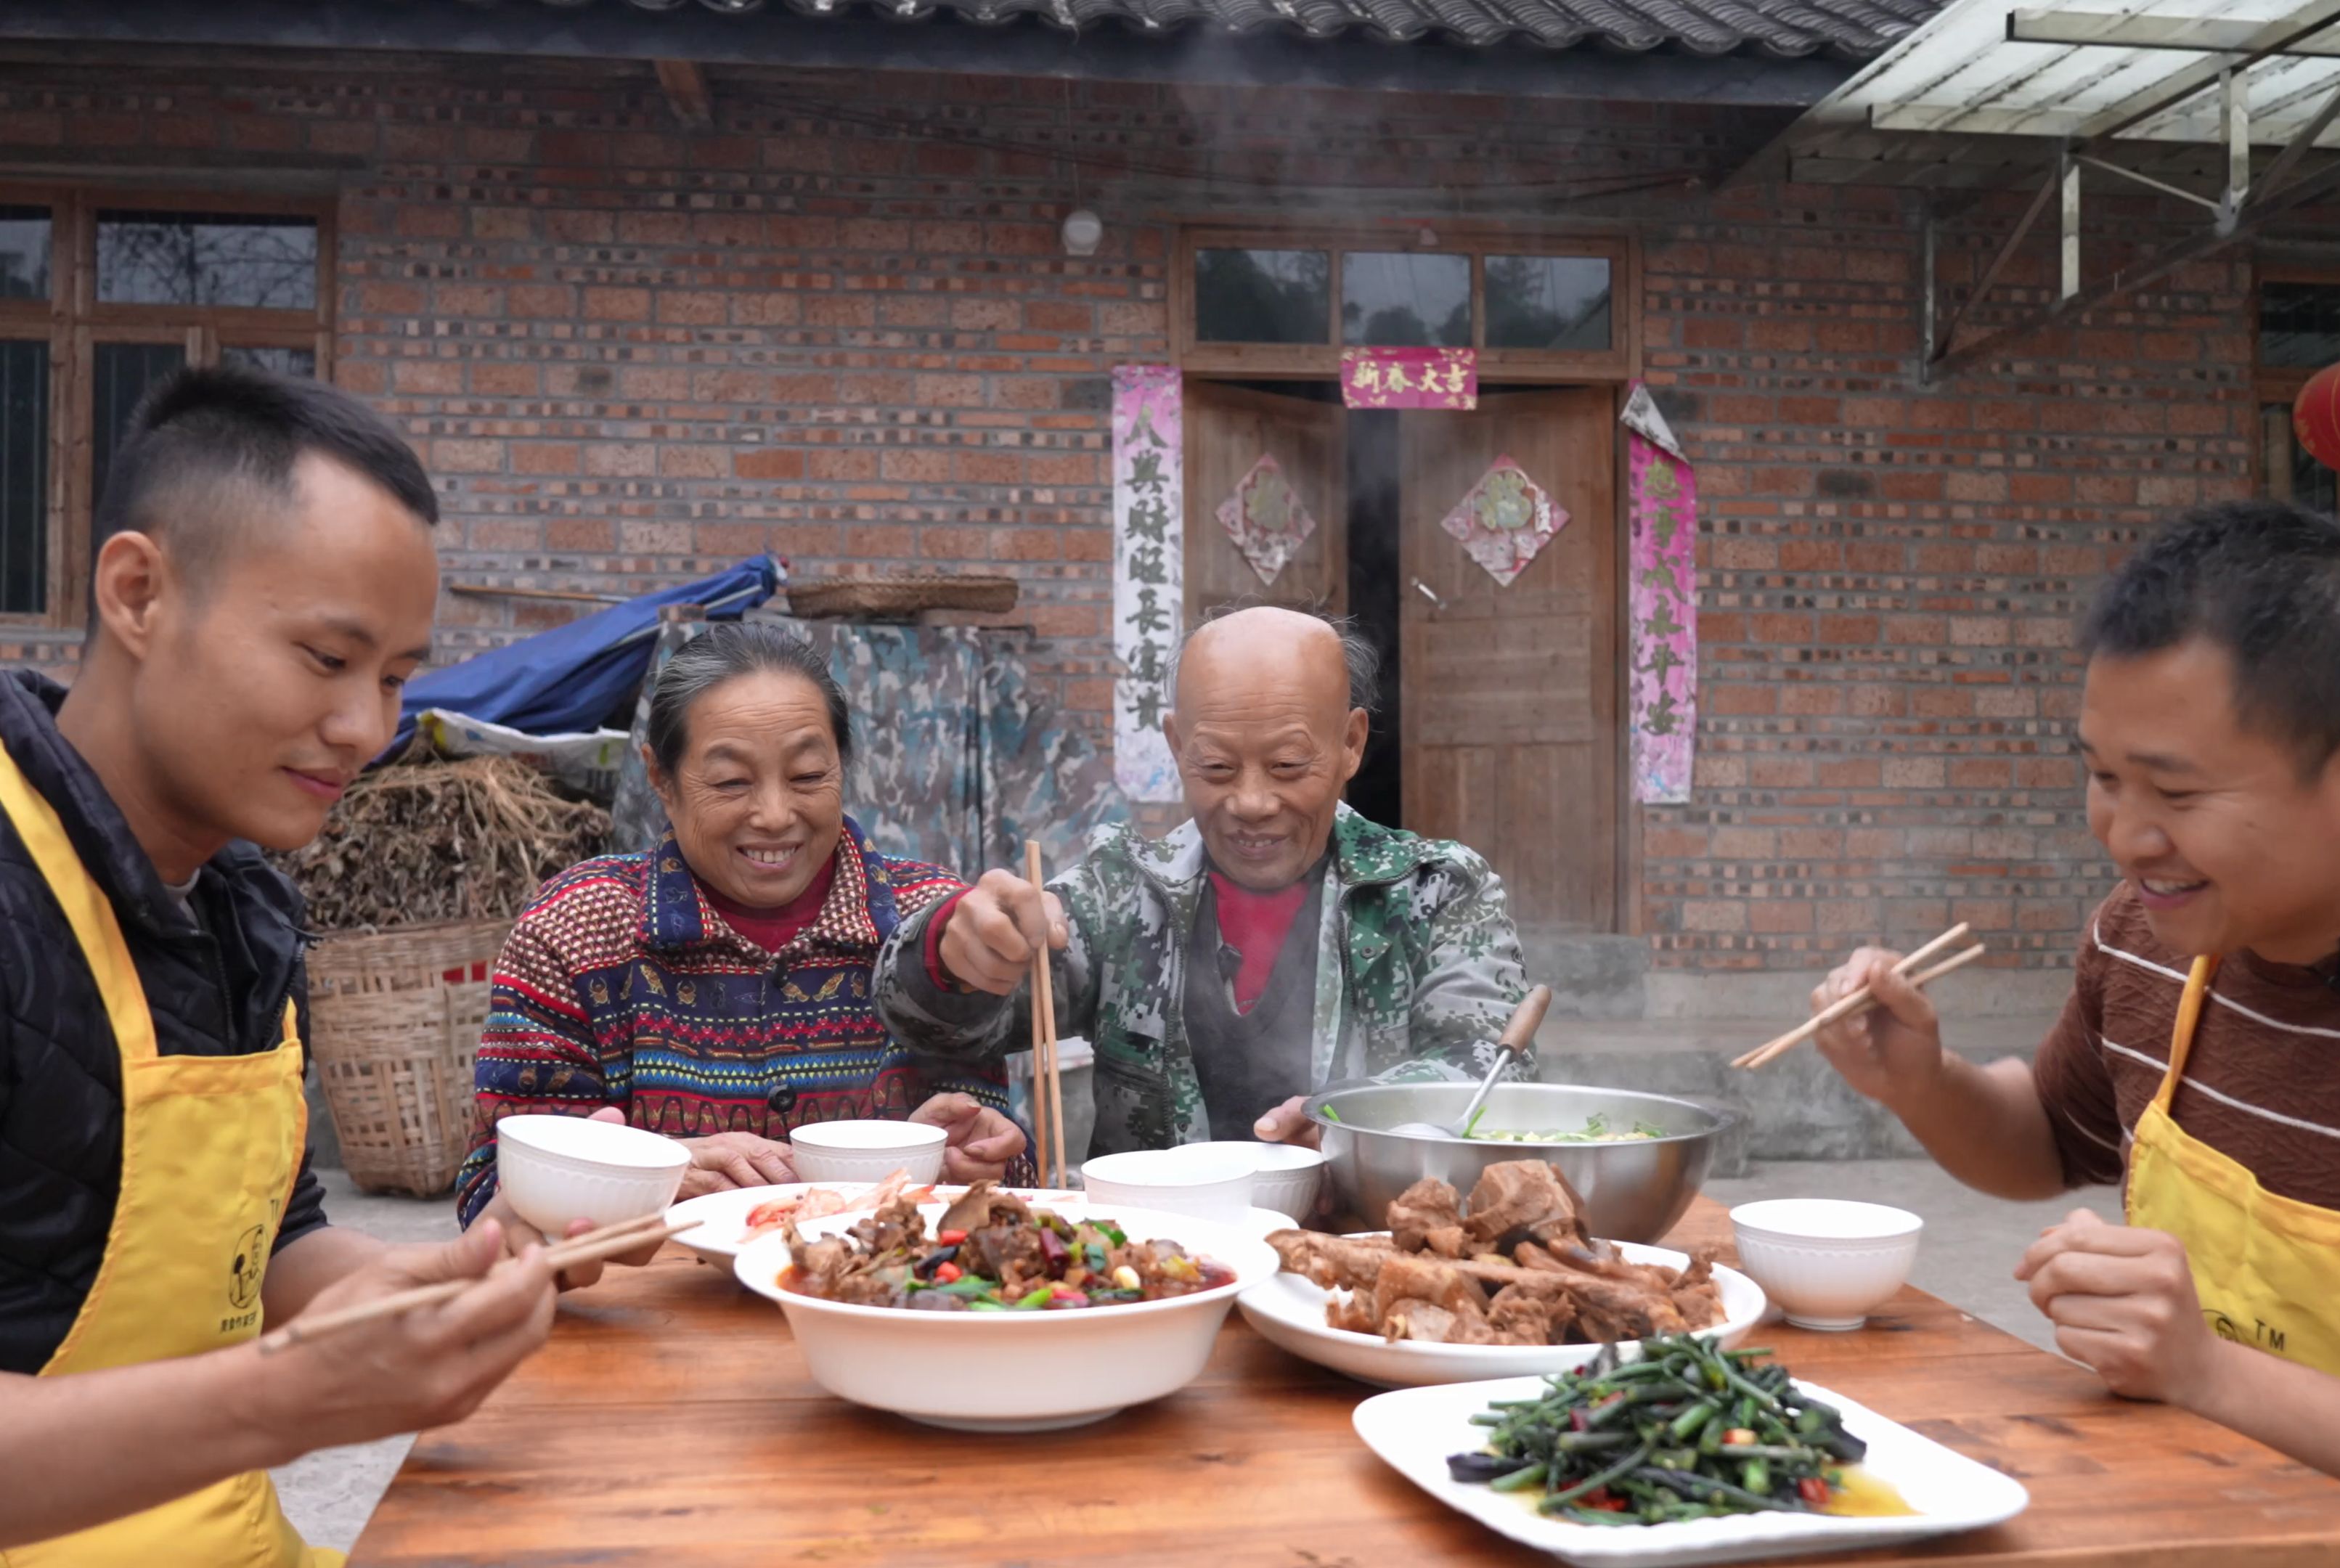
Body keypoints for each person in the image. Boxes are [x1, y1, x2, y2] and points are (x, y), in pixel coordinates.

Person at [1810, 502, 2340, 1561]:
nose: (2126, 838)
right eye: (2102, 776)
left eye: (2174, 790)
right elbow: (2048, 1141)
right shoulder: (2149, 937)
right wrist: (1924, 1080)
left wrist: (2214, 1375)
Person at [0, 367, 569, 1563]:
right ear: (140, 592)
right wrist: (283, 1397)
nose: (368, 728)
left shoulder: (242, 900)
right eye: (326, 659)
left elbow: (269, 1243)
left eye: (398, 678)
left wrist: (443, 1291)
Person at [875, 604, 1533, 1155]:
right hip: (1157, 1270)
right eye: (1216, 767)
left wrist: (1353, 1120)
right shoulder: (1122, 889)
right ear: (1176, 745)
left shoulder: (1438, 892)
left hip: (1357, 1275)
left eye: (1287, 765)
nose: (1250, 802)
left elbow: (1490, 1076)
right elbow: (945, 1025)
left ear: (1351, 744)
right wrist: (951, 954)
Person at [455, 622, 1027, 1230]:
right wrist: (656, 1173)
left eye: (808, 776)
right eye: (731, 782)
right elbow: (491, 1196)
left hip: (887, 1306)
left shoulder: (936, 933)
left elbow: (1018, 1186)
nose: (776, 815)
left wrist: (974, 1167)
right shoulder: (577, 928)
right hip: (650, 1316)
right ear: (660, 777)